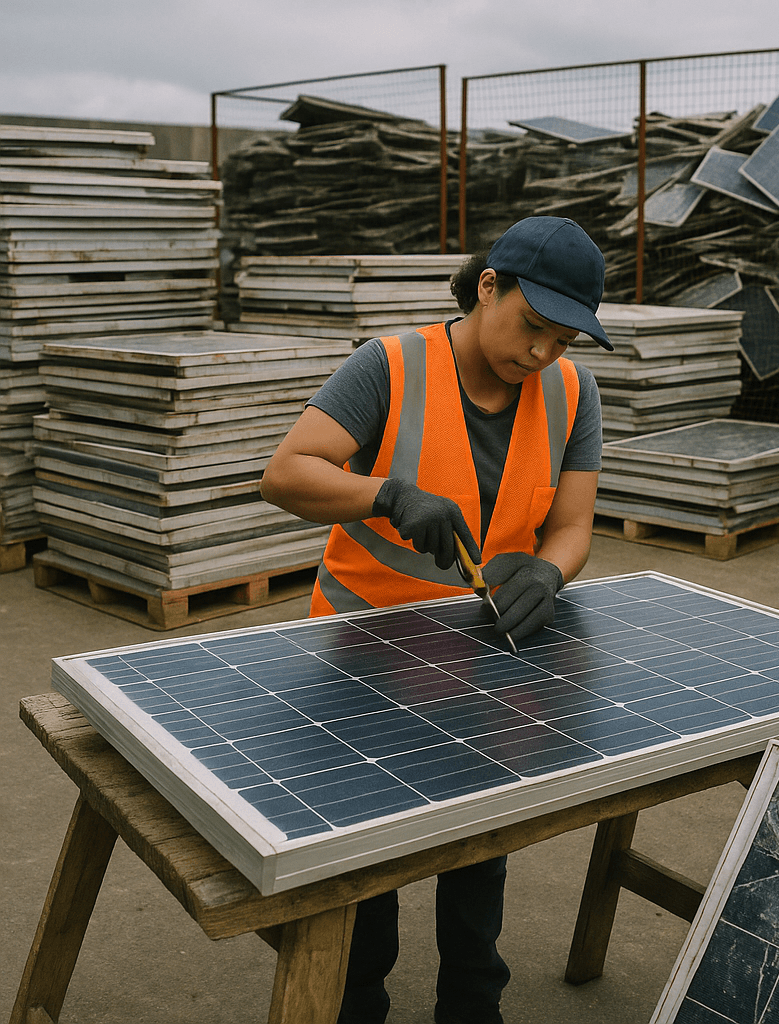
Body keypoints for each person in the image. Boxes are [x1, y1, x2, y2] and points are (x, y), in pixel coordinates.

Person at [259, 215, 609, 1024]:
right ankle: (356, 999)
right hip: (362, 659)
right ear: (489, 286)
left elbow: (575, 523)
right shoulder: (390, 364)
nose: (543, 354)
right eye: (532, 327)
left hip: (487, 658)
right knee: (365, 876)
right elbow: (285, 473)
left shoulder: (571, 390)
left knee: (479, 857)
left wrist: (548, 574)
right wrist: (384, 493)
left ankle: (472, 1002)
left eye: (564, 339)